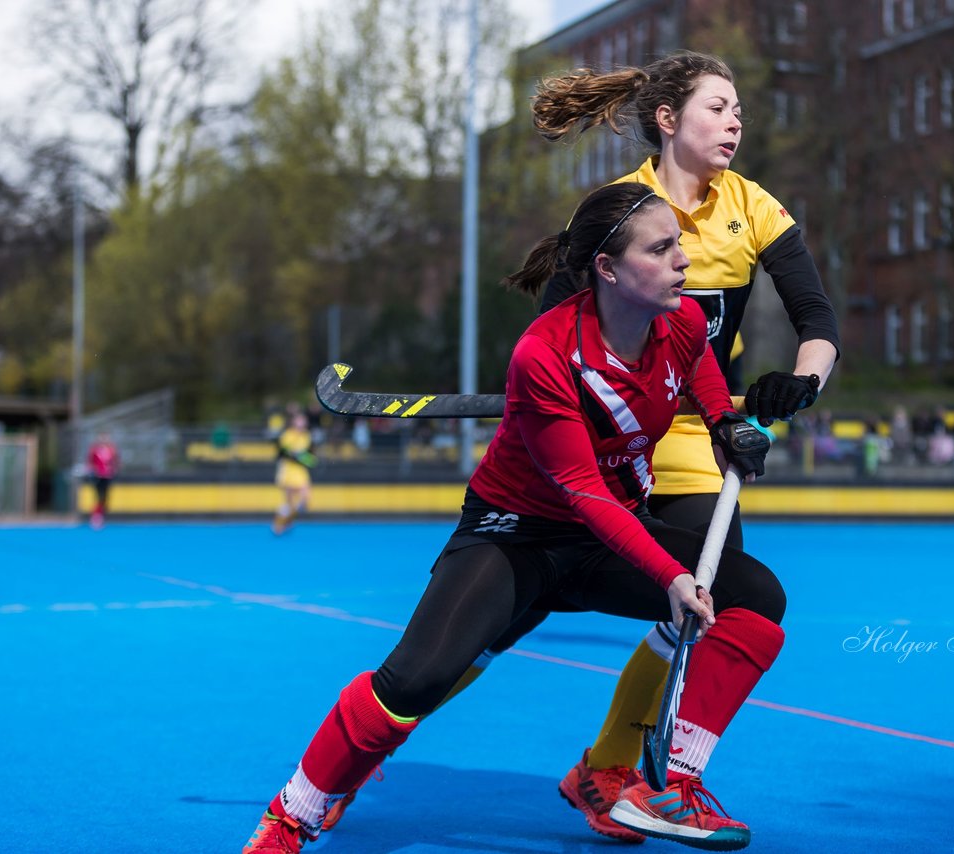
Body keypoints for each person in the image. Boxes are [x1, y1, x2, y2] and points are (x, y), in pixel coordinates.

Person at [323, 51, 840, 843]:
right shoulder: (618, 210)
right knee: (492, 630)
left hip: (698, 434)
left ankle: (610, 767)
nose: (736, 122)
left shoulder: (756, 209)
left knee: (701, 603)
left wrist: (796, 387)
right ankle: (371, 744)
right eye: (718, 108)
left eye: (740, 109)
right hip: (606, 451)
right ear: (668, 121)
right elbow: (561, 339)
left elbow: (817, 321)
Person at [244, 183, 785, 853]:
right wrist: (672, 575)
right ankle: (292, 816)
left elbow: (698, 362)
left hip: (603, 535)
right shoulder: (546, 356)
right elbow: (582, 492)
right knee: (413, 683)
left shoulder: (680, 322)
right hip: (516, 533)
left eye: (680, 244)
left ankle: (669, 785)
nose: (684, 262)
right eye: (663, 247)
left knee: (756, 597)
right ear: (609, 270)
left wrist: (724, 423)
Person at [272, 412, 316, 535]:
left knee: (305, 496)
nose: (302, 423)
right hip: (288, 469)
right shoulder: (287, 435)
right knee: (290, 503)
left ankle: (285, 521)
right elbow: (285, 452)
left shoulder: (306, 436)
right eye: (299, 421)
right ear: (294, 422)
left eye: (303, 421)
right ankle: (280, 524)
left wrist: (308, 459)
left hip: (300, 469)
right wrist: (299, 457)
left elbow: (306, 453)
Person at [85, 433, 120, 530]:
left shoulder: (111, 450)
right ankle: (96, 517)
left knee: (105, 497)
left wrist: (113, 469)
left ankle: (102, 516)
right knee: (98, 496)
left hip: (107, 476)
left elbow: (115, 462)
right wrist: (92, 470)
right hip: (97, 476)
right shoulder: (94, 450)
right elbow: (90, 462)